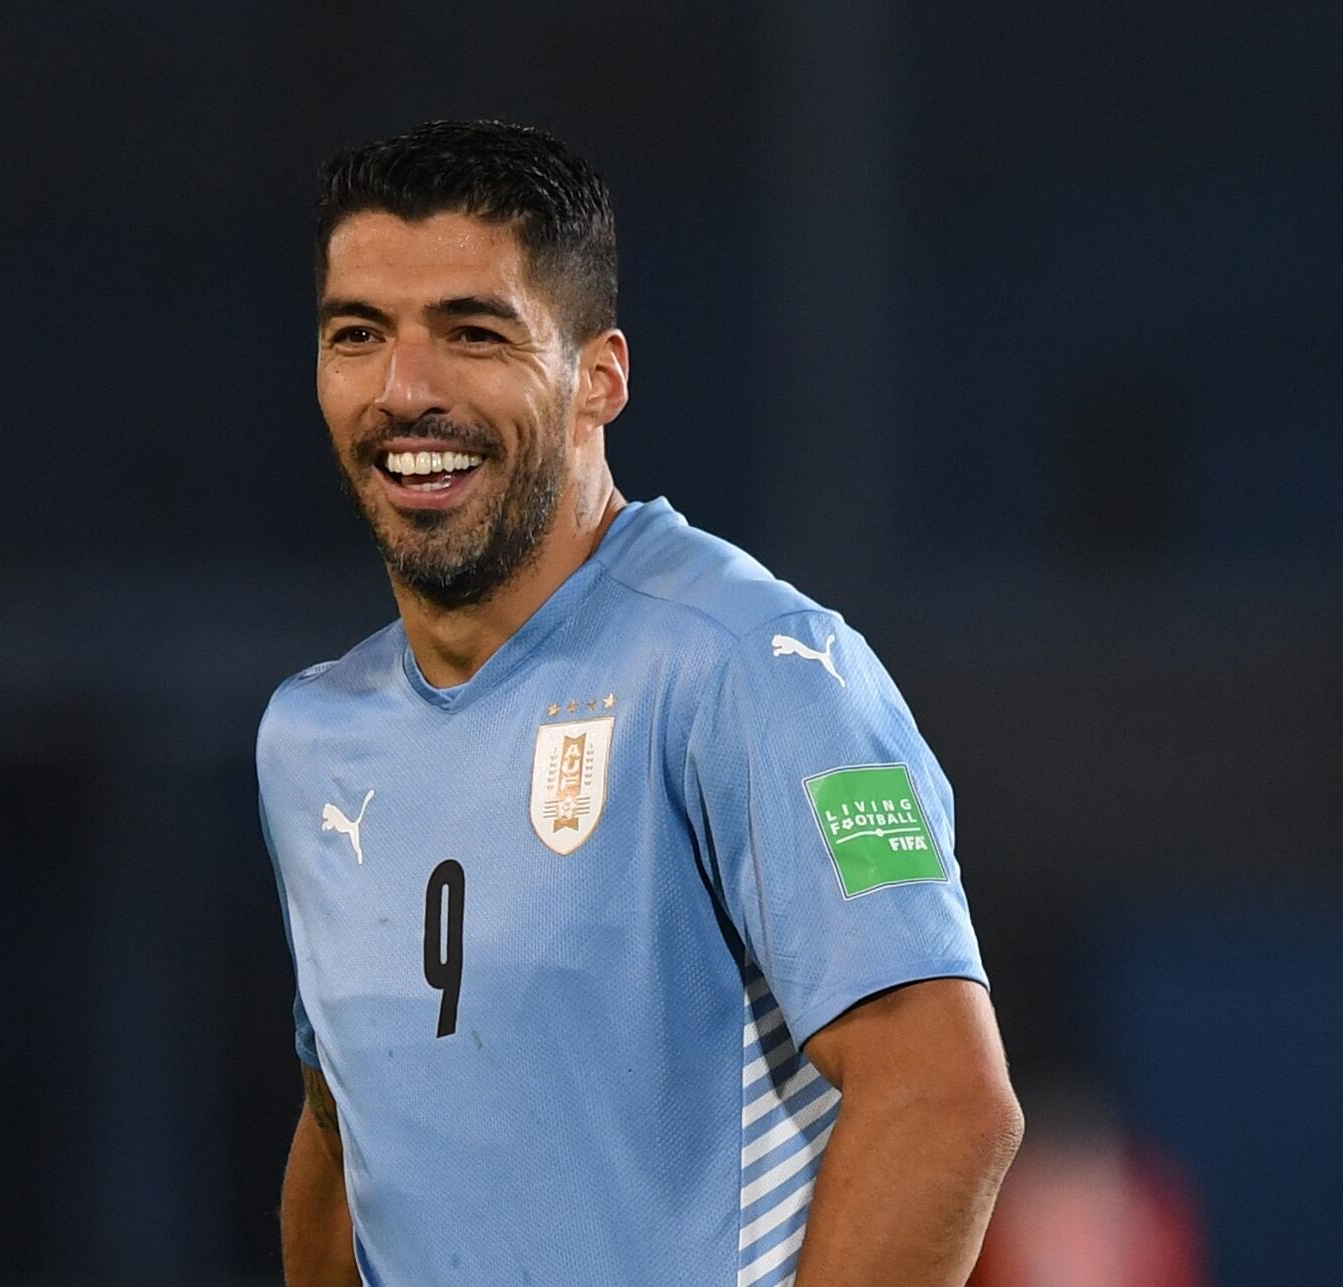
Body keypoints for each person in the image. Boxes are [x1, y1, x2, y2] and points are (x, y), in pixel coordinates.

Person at [258, 119, 1023, 1287]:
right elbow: (343, 1131)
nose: (405, 390)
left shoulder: (751, 665)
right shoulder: (310, 740)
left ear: (598, 377)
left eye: (473, 333)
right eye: (358, 335)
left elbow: (944, 1101)